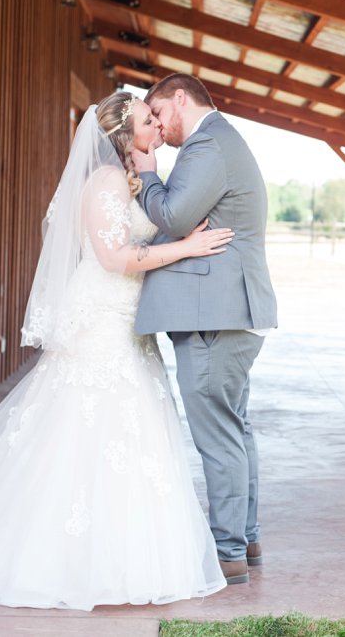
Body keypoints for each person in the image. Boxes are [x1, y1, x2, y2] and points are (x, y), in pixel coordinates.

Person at [0, 92, 232, 611]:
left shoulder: (133, 181)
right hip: (102, 318)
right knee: (86, 426)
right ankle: (57, 558)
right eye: (150, 120)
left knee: (131, 431)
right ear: (124, 135)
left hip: (129, 321)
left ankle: (120, 556)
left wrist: (180, 230)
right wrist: (186, 248)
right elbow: (113, 256)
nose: (158, 126)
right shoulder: (104, 183)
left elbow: (147, 228)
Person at [133, 74, 277, 586]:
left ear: (179, 99)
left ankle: (227, 551)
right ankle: (245, 537)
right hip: (222, 311)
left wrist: (147, 172)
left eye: (157, 112)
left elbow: (172, 215)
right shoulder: (216, 142)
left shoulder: (208, 144)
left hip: (214, 314)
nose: (157, 124)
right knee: (233, 428)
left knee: (218, 435)